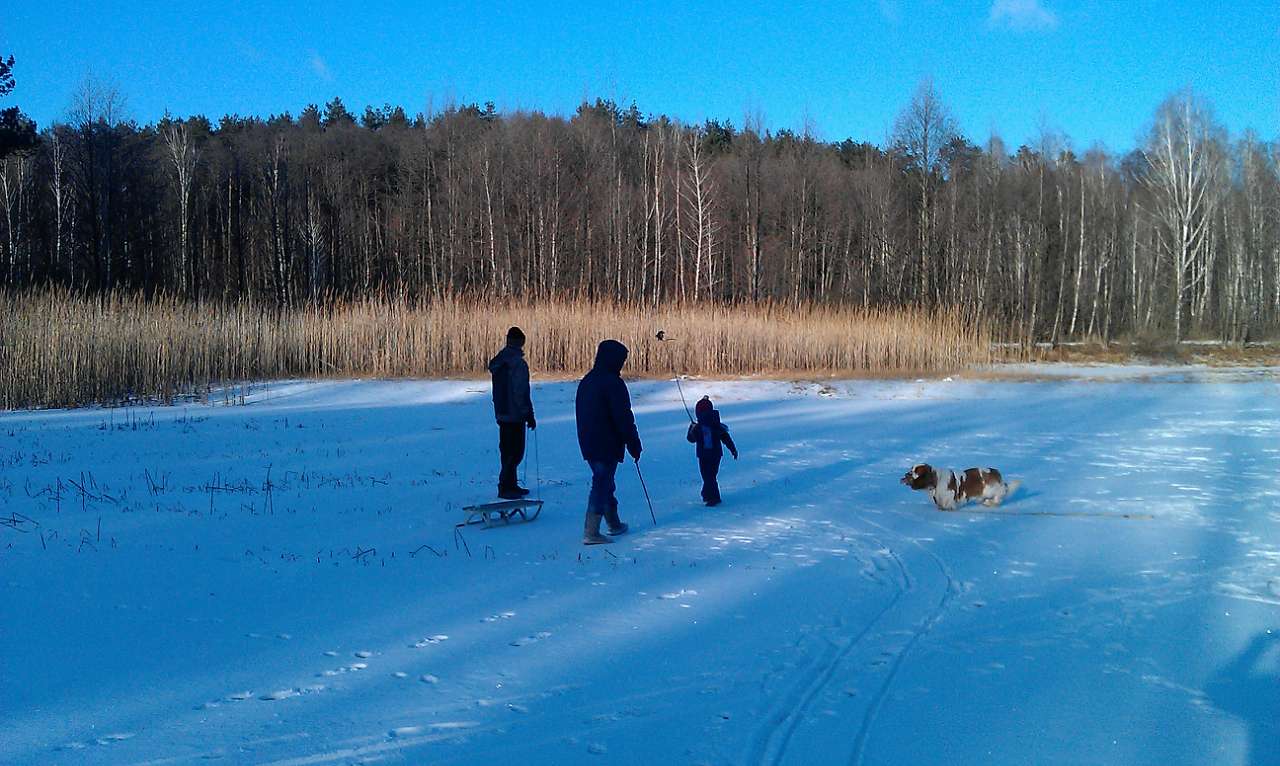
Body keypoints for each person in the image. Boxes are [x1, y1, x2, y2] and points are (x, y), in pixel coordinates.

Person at [575, 339, 642, 544]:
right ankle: (591, 532)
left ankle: (613, 523)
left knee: (605, 481)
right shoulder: (613, 383)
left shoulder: (588, 380)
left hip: (588, 440)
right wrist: (633, 443)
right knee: (602, 482)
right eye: (621, 360)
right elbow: (623, 417)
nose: (622, 364)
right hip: (605, 441)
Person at [488, 326, 536, 499]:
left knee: (507, 451)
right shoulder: (518, 364)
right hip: (515, 414)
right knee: (515, 453)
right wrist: (528, 414)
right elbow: (520, 391)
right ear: (521, 343)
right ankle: (506, 487)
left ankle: (510, 485)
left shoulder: (500, 361)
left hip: (501, 412)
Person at [686, 396, 738, 506]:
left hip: (704, 455)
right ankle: (708, 494)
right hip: (716, 455)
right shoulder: (716, 424)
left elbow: (691, 439)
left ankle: (713, 498)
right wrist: (733, 449)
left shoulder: (699, 427)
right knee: (710, 476)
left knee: (708, 476)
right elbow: (726, 437)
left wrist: (691, 428)